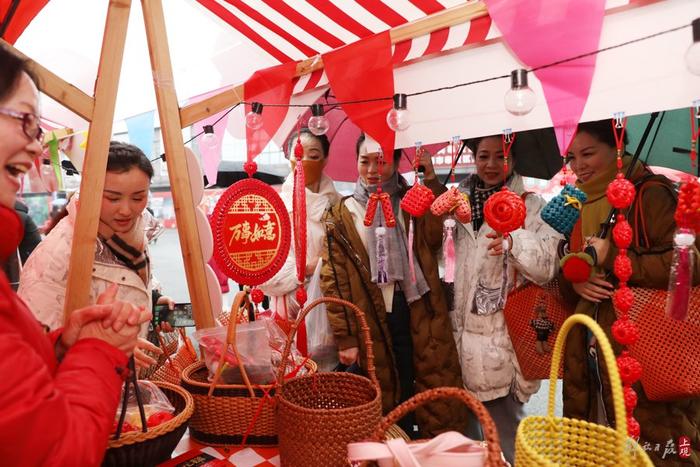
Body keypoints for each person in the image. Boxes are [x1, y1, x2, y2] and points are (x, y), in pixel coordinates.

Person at [0, 42, 150, 465]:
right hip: (93, 409)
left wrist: (62, 346)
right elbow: (52, 451)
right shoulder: (54, 255)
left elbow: (18, 379)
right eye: (24, 121)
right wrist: (98, 350)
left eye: (138, 197)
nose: (34, 149)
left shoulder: (138, 235)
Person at [561, 119, 700, 466]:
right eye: (572, 157)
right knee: (599, 449)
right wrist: (575, 278)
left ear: (617, 147)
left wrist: (617, 258)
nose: (579, 165)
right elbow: (567, 264)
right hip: (590, 353)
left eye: (588, 153)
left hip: (650, 354)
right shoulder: (575, 202)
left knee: (660, 449)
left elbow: (689, 264)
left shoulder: (650, 193)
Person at [320, 134, 467, 438]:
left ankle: (426, 452)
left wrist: (432, 185)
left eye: (382, 160)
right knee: (385, 396)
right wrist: (346, 337)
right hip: (371, 313)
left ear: (398, 161)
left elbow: (436, 238)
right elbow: (334, 279)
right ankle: (393, 452)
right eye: (365, 160)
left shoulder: (415, 200)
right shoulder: (341, 213)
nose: (373, 168)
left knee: (428, 386)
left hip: (419, 308)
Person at [451, 135, 561, 463]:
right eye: (483, 156)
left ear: (513, 160)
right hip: (458, 348)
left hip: (502, 350)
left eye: (500, 156)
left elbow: (548, 264)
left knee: (510, 445)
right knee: (470, 448)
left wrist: (515, 242)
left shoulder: (531, 206)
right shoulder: (459, 204)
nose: (491, 164)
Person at [19, 141, 170, 368]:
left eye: (138, 198)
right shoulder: (58, 251)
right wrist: (106, 349)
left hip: (124, 380)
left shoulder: (137, 229)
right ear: (90, 190)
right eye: (113, 198)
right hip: (80, 379)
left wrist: (155, 299)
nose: (126, 210)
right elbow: (34, 339)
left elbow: (128, 279)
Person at [259, 128, 340, 369]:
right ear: (289, 159)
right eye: (298, 154)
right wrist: (308, 268)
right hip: (285, 321)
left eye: (313, 155)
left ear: (325, 160)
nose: (304, 162)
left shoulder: (338, 208)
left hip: (329, 317)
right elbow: (265, 273)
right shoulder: (276, 208)